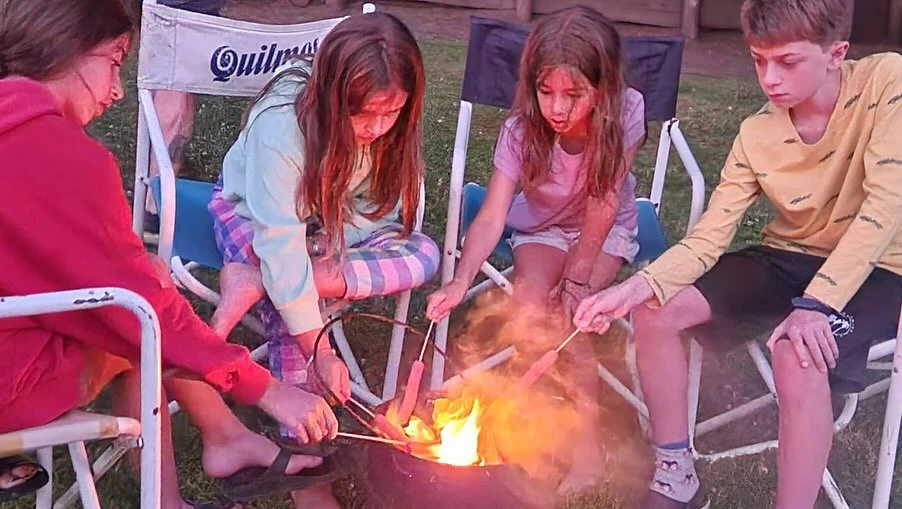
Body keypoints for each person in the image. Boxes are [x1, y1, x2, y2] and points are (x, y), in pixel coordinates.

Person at [0, 1, 340, 507]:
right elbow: (140, 312)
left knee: (144, 294)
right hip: (8, 386)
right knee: (144, 323)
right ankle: (200, 466)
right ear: (69, 49)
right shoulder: (61, 159)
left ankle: (223, 440)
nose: (118, 90)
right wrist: (265, 388)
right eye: (115, 61)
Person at [573, 0, 902, 507]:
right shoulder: (756, 134)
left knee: (797, 352)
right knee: (655, 310)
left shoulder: (886, 82)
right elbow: (710, 237)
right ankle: (677, 474)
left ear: (836, 54)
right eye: (758, 60)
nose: (770, 79)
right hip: (789, 255)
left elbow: (886, 205)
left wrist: (817, 303)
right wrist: (635, 287)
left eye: (787, 62)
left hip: (878, 267)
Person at [207, 10, 439, 508]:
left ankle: (262, 280)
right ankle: (308, 477)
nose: (378, 127)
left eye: (392, 112)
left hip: (324, 229)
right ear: (333, 98)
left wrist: (324, 247)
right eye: (365, 114)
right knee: (292, 320)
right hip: (250, 214)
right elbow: (277, 236)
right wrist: (322, 350)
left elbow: (381, 215)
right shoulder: (281, 130)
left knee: (423, 253)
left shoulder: (386, 132)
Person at [425, 5, 646, 496]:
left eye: (574, 94)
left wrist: (578, 280)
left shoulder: (627, 111)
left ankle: (586, 447)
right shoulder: (521, 131)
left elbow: (604, 200)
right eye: (546, 92)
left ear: (603, 87)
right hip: (544, 227)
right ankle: (526, 427)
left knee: (572, 318)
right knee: (528, 306)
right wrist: (460, 280)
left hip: (605, 227)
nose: (557, 109)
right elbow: (492, 215)